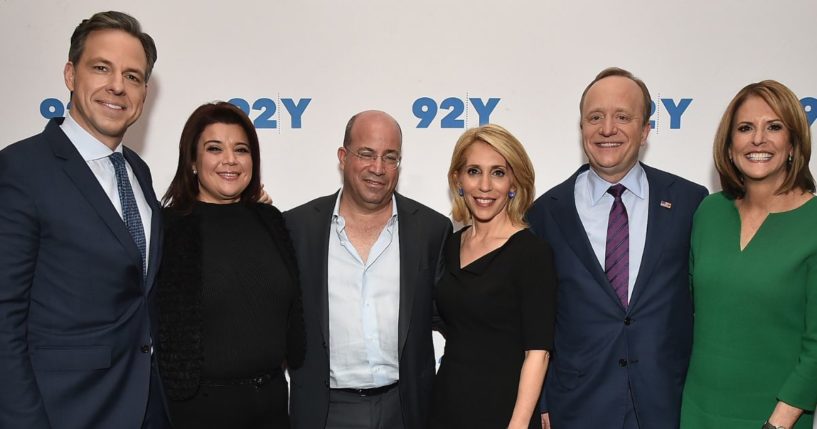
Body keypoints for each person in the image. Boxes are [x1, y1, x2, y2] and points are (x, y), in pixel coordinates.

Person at [0, 11, 169, 429]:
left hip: (145, 408)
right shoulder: (21, 168)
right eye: (101, 68)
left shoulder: (137, 171)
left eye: (133, 76)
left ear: (144, 92)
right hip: (65, 412)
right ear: (71, 75)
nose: (117, 85)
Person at [527, 67, 708, 429]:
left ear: (645, 131)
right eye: (595, 117)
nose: (607, 129)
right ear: (581, 128)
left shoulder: (691, 203)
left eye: (622, 117)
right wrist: (543, 401)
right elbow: (536, 319)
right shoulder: (546, 212)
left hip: (665, 404)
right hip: (577, 407)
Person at [284, 110, 451, 429]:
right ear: (343, 157)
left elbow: (457, 315)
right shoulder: (296, 228)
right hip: (324, 411)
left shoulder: (431, 230)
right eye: (366, 154)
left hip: (405, 410)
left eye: (390, 157)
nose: (378, 168)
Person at [155, 101, 305, 428]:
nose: (230, 160)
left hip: (273, 405)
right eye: (214, 148)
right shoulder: (168, 228)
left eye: (241, 149)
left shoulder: (271, 221)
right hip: (199, 412)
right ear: (192, 161)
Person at [680, 80, 817, 429]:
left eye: (774, 127)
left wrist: (780, 421)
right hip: (698, 409)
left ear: (793, 145)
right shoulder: (709, 212)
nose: (758, 139)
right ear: (729, 147)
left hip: (776, 417)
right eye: (745, 128)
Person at [430, 124, 557, 429]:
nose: (485, 185)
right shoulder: (448, 245)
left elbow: (538, 353)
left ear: (514, 183)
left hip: (503, 411)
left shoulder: (531, 252)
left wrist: (518, 424)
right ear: (458, 180)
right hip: (445, 405)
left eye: (498, 173)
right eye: (474, 171)